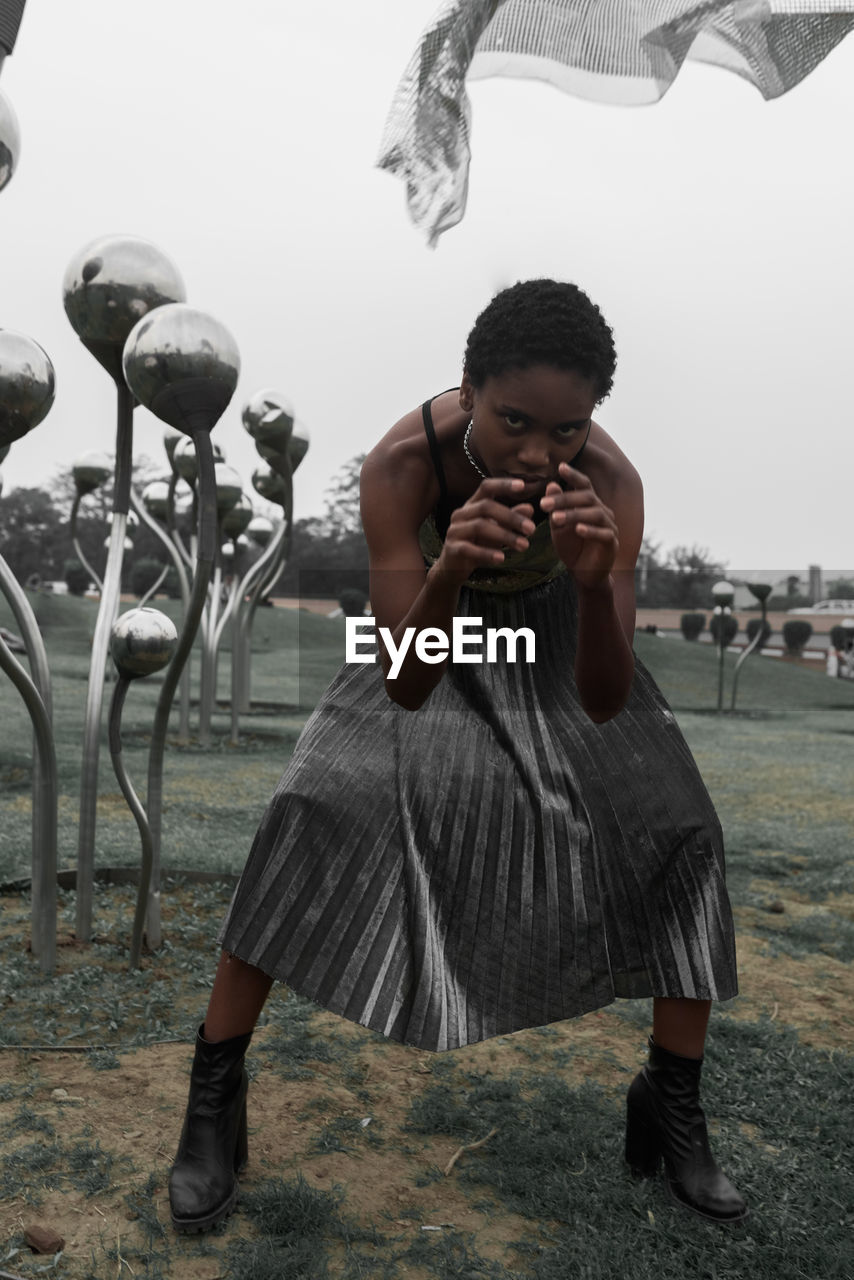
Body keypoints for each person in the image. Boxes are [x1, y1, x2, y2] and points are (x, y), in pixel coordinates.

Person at [168, 279, 747, 1233]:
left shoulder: (614, 485)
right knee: (311, 809)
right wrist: (450, 570)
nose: (537, 452)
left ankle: (672, 1104)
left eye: (566, 433)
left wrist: (597, 586)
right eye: (514, 420)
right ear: (469, 386)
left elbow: (605, 697)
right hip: (427, 631)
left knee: (682, 829)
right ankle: (214, 1099)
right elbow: (403, 677)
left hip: (560, 643)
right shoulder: (405, 465)